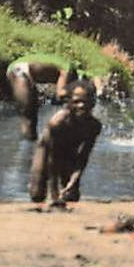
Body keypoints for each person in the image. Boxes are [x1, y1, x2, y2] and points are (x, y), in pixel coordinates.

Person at [29, 80, 102, 208]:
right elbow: (52, 158)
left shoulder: (94, 126)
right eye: (76, 102)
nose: (81, 106)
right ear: (68, 103)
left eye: (85, 102)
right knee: (37, 194)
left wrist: (74, 179)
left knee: (72, 195)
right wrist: (54, 194)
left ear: (92, 103)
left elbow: (84, 156)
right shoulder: (58, 122)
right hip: (46, 152)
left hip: (69, 154)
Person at [7, 54, 86, 142]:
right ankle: (25, 150)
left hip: (24, 72)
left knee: (32, 119)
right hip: (20, 71)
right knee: (28, 119)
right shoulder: (68, 70)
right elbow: (60, 94)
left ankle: (30, 148)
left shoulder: (66, 66)